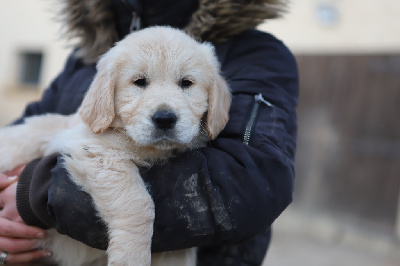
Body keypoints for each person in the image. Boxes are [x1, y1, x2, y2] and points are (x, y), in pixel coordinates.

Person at [0, 0, 298, 265]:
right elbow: (49, 137)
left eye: (186, 83)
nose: (164, 111)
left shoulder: (255, 55)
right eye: (140, 81)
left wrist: (34, 192)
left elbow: (252, 182)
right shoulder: (86, 58)